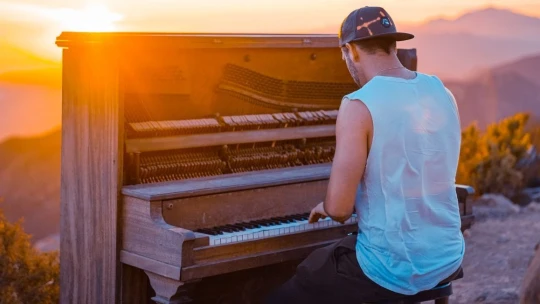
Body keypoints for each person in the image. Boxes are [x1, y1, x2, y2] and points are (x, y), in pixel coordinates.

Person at [265, 6, 465, 304]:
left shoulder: (359, 105)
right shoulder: (441, 91)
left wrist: (329, 203)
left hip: (393, 268)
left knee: (287, 292)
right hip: (447, 252)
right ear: (393, 44)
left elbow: (340, 209)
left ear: (350, 50)